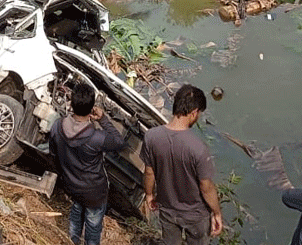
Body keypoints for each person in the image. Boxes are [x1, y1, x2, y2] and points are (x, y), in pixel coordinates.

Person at [142, 84, 223, 244]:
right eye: (199, 114)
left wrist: (149, 194)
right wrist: (216, 212)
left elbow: (149, 172)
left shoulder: (151, 137)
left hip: (167, 210)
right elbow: (206, 187)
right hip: (195, 215)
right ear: (194, 113)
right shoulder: (198, 147)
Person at [49, 83, 125, 245]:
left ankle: (72, 240)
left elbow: (54, 155)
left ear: (71, 104)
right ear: (91, 109)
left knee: (76, 212)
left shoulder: (57, 127)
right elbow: (119, 142)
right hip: (94, 193)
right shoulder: (96, 138)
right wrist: (103, 119)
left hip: (71, 185)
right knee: (93, 226)